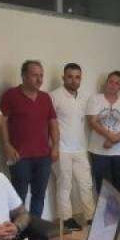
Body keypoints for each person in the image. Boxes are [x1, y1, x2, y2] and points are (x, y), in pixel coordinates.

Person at [0, 59, 59, 218]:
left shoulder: (45, 98)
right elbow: (2, 122)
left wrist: (55, 146)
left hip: (43, 156)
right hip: (19, 157)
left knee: (39, 196)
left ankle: (35, 229)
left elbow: (53, 123)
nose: (39, 79)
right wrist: (6, 144)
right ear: (24, 76)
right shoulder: (10, 95)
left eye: (41, 75)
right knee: (18, 197)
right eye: (35, 75)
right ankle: (18, 230)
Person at [49, 63, 95, 230]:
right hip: (62, 149)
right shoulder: (53, 96)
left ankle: (90, 217)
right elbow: (48, 123)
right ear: (63, 77)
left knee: (86, 184)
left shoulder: (84, 98)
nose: (74, 80)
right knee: (64, 185)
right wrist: (53, 147)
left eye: (77, 77)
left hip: (80, 148)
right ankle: (66, 220)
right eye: (70, 76)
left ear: (81, 78)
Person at [86, 70, 120, 197]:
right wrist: (110, 136)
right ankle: (103, 210)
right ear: (106, 83)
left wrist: (114, 139)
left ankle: (118, 210)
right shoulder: (95, 99)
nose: (113, 85)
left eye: (117, 83)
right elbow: (93, 122)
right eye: (111, 82)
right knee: (101, 184)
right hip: (99, 150)